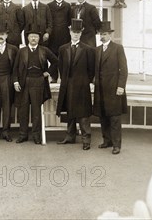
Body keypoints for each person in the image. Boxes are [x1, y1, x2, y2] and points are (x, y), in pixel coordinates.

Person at [55, 19, 95, 150]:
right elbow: (61, 67)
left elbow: (91, 69)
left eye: (78, 32)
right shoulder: (63, 49)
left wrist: (84, 81)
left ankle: (86, 140)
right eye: (74, 32)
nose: (76, 34)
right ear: (70, 32)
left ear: (81, 33)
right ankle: (70, 137)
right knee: (70, 111)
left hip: (82, 85)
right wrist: (66, 80)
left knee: (83, 114)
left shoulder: (88, 49)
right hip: (68, 85)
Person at [12, 30, 58, 144]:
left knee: (37, 110)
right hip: (24, 82)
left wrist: (48, 72)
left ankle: (36, 136)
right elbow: (15, 68)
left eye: (36, 37)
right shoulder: (21, 51)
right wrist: (15, 82)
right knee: (23, 110)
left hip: (39, 81)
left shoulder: (44, 50)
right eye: (31, 37)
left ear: (39, 39)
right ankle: (23, 135)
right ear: (28, 38)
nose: (33, 39)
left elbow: (56, 62)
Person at [93, 21, 128, 155]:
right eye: (101, 34)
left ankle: (116, 145)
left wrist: (121, 86)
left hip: (114, 88)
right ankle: (107, 141)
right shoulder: (97, 50)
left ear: (110, 35)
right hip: (100, 89)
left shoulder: (118, 48)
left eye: (105, 34)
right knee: (103, 116)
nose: (103, 36)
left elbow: (124, 69)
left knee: (114, 118)